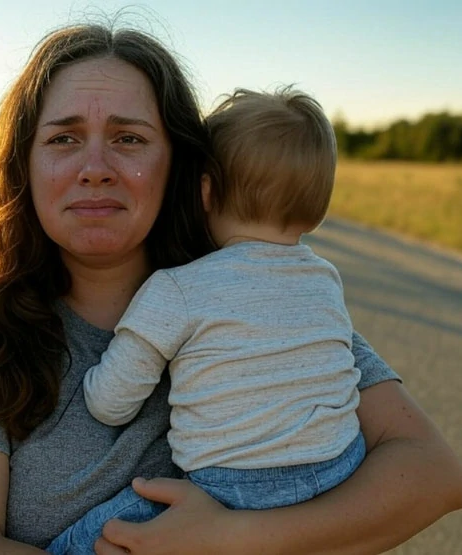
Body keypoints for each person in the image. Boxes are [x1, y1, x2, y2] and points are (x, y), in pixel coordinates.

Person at [0, 21, 462, 555]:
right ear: (24, 165)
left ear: (184, 172)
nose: (95, 166)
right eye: (64, 139)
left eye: (130, 139)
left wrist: (229, 539)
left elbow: (433, 476)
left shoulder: (259, 297)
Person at [46, 87, 368, 554]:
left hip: (231, 490)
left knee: (91, 539)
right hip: (340, 468)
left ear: (205, 190)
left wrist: (94, 380)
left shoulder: (179, 288)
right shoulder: (325, 280)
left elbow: (111, 404)